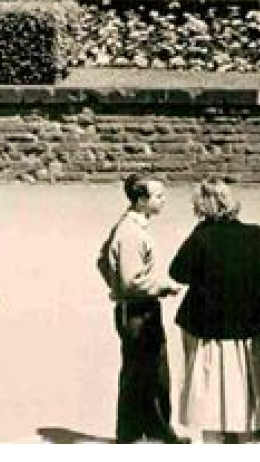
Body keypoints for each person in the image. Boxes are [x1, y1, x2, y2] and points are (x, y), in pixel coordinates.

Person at [169, 178, 260, 443]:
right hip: (246, 330)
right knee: (246, 399)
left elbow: (178, 272)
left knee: (211, 403)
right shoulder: (255, 235)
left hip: (210, 332)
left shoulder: (201, 238)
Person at [97, 174, 184, 444]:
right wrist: (163, 286)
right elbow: (131, 279)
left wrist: (115, 285)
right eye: (158, 196)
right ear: (142, 200)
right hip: (137, 310)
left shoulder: (129, 228)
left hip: (137, 308)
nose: (163, 200)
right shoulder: (130, 232)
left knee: (149, 371)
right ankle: (135, 433)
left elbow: (101, 260)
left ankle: (149, 429)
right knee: (141, 372)